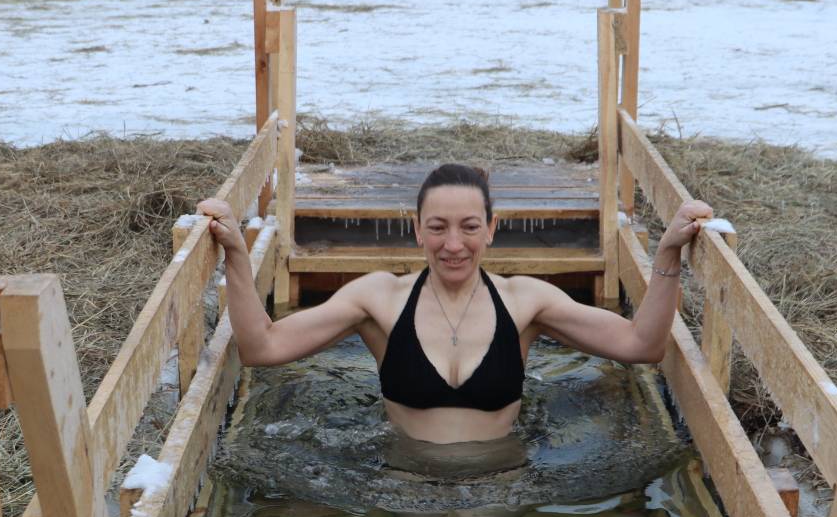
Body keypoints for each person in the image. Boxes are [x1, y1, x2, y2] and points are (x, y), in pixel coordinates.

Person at [199, 163, 714, 447]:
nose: (453, 244)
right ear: (417, 230)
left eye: (469, 227)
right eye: (437, 227)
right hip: (406, 483)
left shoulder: (525, 302)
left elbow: (641, 345)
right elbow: (262, 348)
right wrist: (238, 255)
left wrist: (668, 254)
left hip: (500, 483)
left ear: (491, 229)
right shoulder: (378, 298)